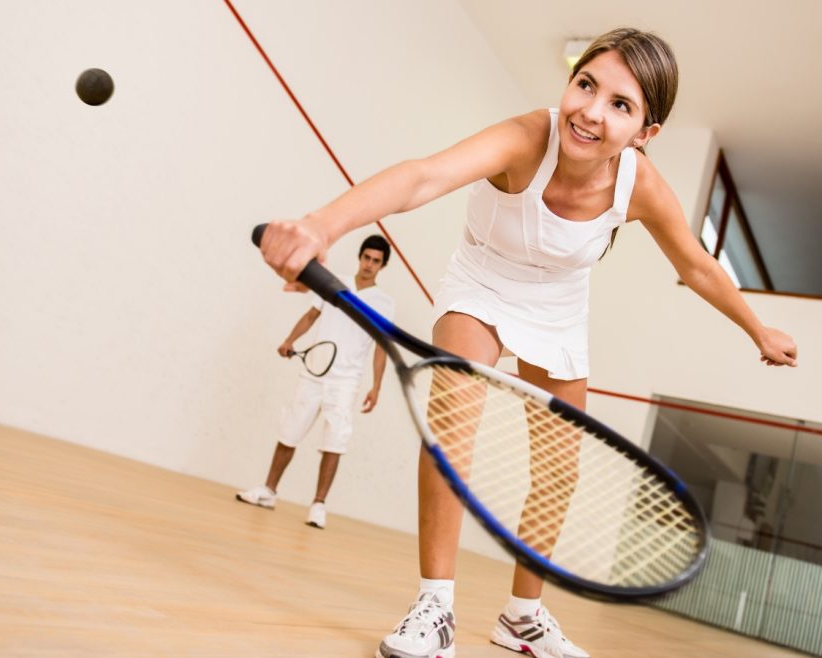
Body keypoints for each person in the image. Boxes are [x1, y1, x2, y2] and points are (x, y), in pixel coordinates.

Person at [255, 27, 798, 658]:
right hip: (482, 281)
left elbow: (698, 265)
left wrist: (757, 326)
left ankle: (523, 618)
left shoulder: (639, 185)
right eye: (586, 85)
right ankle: (435, 605)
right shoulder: (525, 138)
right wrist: (321, 226)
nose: (592, 111)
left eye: (621, 105)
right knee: (452, 435)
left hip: (560, 306)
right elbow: (422, 178)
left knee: (558, 470)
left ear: (645, 132)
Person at [236, 235, 395, 530]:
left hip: (346, 382)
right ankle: (268, 491)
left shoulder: (384, 304)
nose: (369, 265)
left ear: (382, 266)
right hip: (314, 373)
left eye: (376, 261)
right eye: (366, 258)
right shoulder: (335, 284)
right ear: (360, 257)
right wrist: (289, 340)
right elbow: (311, 316)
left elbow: (381, 347)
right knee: (289, 431)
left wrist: (377, 386)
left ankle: (319, 505)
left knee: (334, 443)